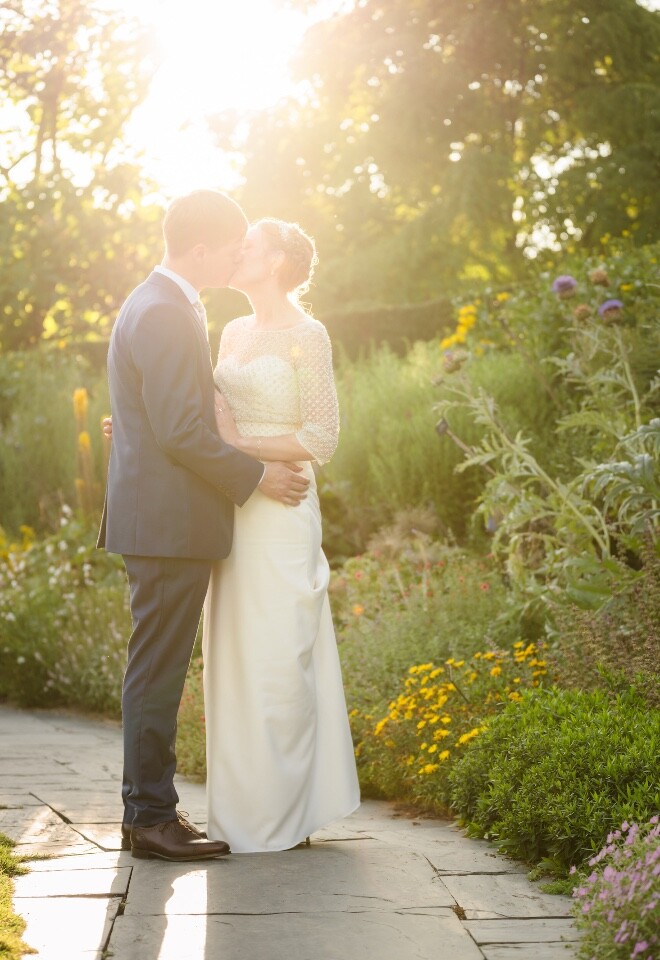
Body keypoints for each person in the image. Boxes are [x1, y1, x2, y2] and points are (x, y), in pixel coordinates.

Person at [98, 191, 309, 863]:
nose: (235, 256)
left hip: (165, 520)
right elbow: (182, 431)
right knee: (156, 673)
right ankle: (149, 818)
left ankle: (154, 811)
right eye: (230, 246)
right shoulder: (162, 310)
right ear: (199, 248)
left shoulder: (163, 302)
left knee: (156, 669)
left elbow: (162, 416)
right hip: (165, 524)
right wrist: (257, 477)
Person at [204, 217, 360, 852]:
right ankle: (238, 812)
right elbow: (210, 416)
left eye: (247, 247)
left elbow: (320, 438)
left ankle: (284, 812)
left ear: (275, 263)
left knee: (278, 657)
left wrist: (242, 447)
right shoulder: (233, 331)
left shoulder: (308, 334)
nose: (235, 253)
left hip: (284, 510)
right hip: (235, 507)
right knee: (233, 655)